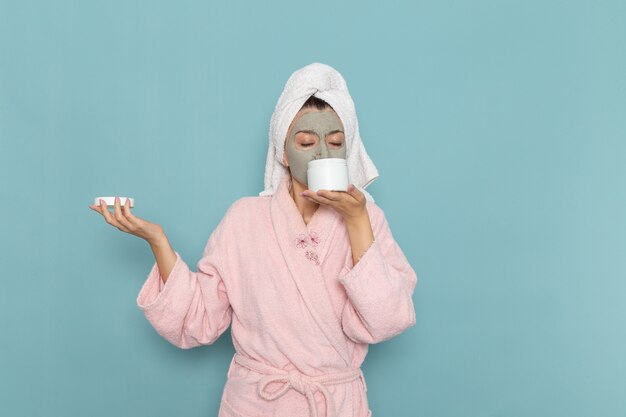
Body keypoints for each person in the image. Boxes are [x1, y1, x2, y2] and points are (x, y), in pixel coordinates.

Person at [89, 62, 418, 417]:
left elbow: (385, 322)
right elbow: (197, 321)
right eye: (306, 141)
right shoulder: (243, 219)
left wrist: (357, 220)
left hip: (334, 404)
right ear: (282, 152)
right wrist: (158, 241)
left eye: (336, 142)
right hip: (258, 404)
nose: (323, 153)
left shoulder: (368, 219)